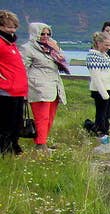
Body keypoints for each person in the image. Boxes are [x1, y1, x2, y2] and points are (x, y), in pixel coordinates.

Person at [22, 22, 68, 150]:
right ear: (35, 33)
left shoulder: (52, 46)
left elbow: (64, 63)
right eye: (42, 34)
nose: (46, 36)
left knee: (50, 117)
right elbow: (22, 69)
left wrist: (57, 49)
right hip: (38, 87)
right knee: (42, 117)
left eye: (48, 34)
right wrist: (24, 89)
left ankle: (42, 141)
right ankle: (41, 145)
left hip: (54, 86)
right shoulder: (28, 48)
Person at [0, 10, 27, 156]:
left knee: (17, 123)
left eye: (14, 27)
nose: (12, 30)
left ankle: (14, 146)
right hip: (6, 91)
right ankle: (4, 149)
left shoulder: (11, 44)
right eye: (8, 27)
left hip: (18, 90)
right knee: (6, 123)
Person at [86, 31, 110, 139]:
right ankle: (101, 132)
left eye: (109, 45)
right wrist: (104, 94)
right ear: (99, 43)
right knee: (101, 113)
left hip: (109, 88)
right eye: (106, 45)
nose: (108, 47)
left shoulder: (105, 55)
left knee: (107, 113)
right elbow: (96, 77)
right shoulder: (92, 56)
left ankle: (103, 131)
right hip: (100, 90)